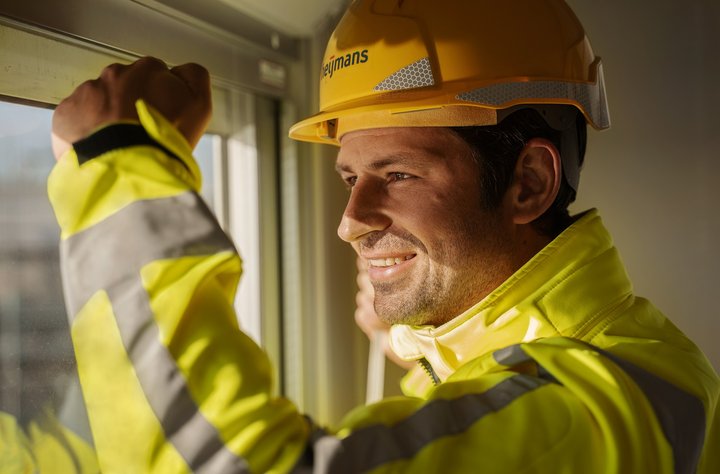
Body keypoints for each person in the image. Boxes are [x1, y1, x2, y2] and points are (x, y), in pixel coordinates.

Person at [48, 0, 719, 472]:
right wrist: (424, 349)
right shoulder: (612, 357)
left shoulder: (593, 405)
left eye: (396, 174)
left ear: (528, 185)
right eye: (350, 179)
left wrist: (118, 165)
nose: (349, 223)